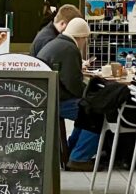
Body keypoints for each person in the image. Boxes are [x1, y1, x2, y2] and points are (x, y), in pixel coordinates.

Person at [37, 17, 99, 170]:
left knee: (86, 110)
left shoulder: (58, 43)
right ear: (82, 37)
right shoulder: (69, 49)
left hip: (48, 96)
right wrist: (91, 96)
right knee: (96, 112)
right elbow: (73, 83)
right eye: (85, 39)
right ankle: (79, 158)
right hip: (56, 100)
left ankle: (73, 150)